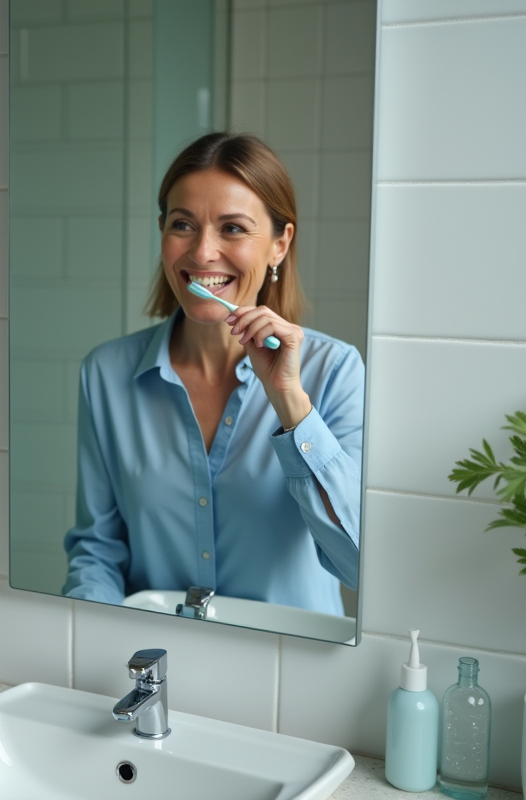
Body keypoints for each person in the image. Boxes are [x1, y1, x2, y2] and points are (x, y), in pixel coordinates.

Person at [62, 132, 363, 616]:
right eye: (183, 225)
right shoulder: (105, 373)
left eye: (233, 229)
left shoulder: (335, 371)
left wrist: (289, 400)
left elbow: (357, 564)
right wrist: (84, 633)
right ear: (162, 233)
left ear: (280, 245)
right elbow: (98, 549)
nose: (202, 253)